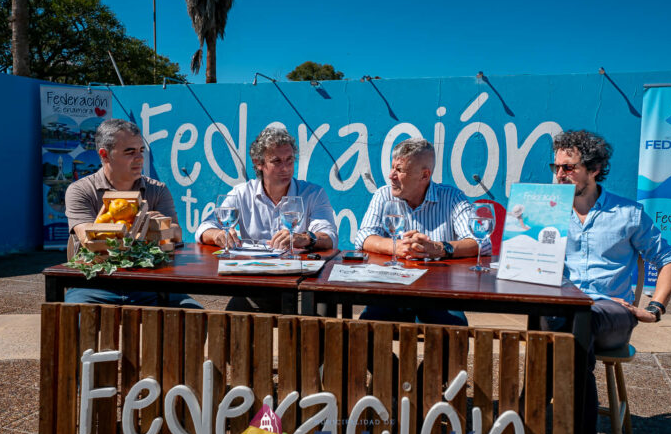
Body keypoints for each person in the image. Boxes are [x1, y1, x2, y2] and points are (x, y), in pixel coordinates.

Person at [547, 130, 671, 434]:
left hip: (610, 314)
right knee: (566, 333)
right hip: (564, 314)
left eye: (568, 167)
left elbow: (669, 261)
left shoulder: (628, 214)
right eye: (555, 166)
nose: (559, 174)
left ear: (595, 169)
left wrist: (655, 307)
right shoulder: (544, 210)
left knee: (574, 327)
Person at [195, 127, 338, 312]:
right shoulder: (242, 193)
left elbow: (330, 236)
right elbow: (204, 228)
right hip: (257, 285)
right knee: (227, 325)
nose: (285, 168)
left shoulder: (313, 193)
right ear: (259, 163)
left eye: (289, 160)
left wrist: (305, 238)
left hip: (302, 284)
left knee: (322, 314)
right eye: (276, 161)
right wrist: (219, 235)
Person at [64, 118, 201, 309]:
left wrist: (162, 224)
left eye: (141, 151)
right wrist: (135, 225)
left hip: (151, 283)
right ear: (104, 155)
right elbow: (85, 234)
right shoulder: (81, 190)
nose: (139, 158)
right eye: (129, 152)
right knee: (69, 325)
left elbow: (177, 234)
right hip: (94, 284)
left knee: (196, 318)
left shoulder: (157, 190)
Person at [354, 138, 488, 326]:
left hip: (439, 293)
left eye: (399, 170)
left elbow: (481, 242)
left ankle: (435, 358)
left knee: (455, 331)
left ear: (425, 175)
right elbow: (363, 237)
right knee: (365, 330)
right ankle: (387, 358)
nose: (391, 175)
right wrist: (396, 246)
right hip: (391, 289)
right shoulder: (383, 195)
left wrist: (437, 248)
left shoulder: (452, 197)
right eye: (392, 168)